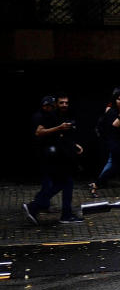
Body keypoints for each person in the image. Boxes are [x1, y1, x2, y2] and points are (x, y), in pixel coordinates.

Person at [23, 94, 84, 225]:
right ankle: (38, 207)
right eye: (47, 105)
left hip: (54, 156)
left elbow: (59, 135)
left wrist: (73, 145)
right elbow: (39, 132)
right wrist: (59, 128)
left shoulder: (50, 115)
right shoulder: (40, 116)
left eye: (50, 105)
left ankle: (38, 207)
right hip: (48, 157)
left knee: (64, 183)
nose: (49, 107)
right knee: (64, 183)